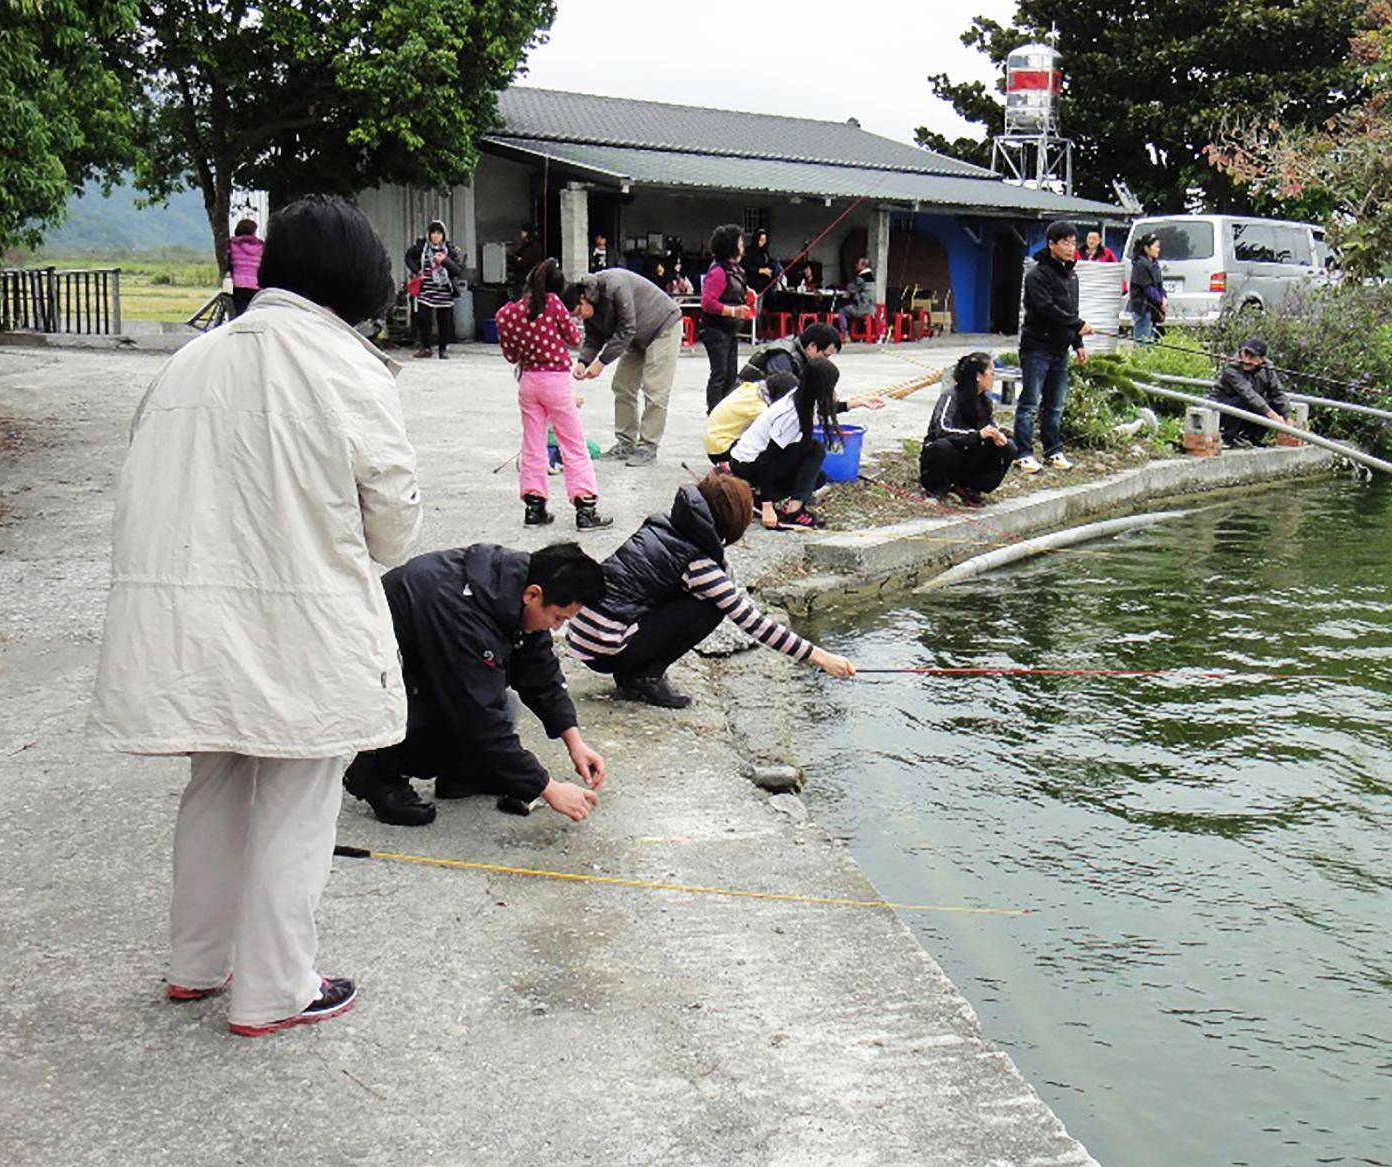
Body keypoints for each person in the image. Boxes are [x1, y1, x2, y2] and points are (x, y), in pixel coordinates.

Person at [88, 195, 421, 1039]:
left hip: (193, 621)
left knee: (217, 784)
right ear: (357, 281)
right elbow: (393, 526)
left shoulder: (190, 361)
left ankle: (196, 965)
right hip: (304, 624)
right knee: (299, 799)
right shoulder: (349, 369)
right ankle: (276, 989)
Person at [342, 542, 608, 827]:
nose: (556, 628)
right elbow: (478, 717)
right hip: (369, 686)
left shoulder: (514, 590)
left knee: (505, 706)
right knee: (476, 712)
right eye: (557, 617)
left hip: (421, 671)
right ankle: (378, 771)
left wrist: (574, 740)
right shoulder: (463, 613)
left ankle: (464, 769)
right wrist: (548, 788)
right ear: (533, 594)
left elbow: (539, 669)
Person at [567, 474, 856, 709]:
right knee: (710, 608)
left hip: (584, 635)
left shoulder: (663, 524)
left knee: (701, 596)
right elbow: (752, 622)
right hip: (603, 649)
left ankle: (633, 672)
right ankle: (644, 676)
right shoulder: (697, 563)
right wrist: (822, 658)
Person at [494, 258, 612, 531]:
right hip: (556, 382)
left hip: (528, 383)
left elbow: (511, 354)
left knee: (533, 445)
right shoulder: (553, 304)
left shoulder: (511, 312)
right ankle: (585, 509)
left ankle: (534, 508)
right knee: (573, 444)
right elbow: (573, 338)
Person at [562, 269, 683, 464]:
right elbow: (594, 337)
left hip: (662, 327)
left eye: (577, 313)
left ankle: (648, 446)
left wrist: (601, 362)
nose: (579, 319)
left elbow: (627, 328)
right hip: (636, 337)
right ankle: (626, 442)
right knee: (622, 385)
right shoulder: (591, 307)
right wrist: (583, 361)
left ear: (584, 299)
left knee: (655, 389)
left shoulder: (614, 285)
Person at [727, 356, 848, 530]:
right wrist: (768, 508)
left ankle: (757, 496)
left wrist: (856, 403)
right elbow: (766, 460)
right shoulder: (791, 415)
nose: (833, 391)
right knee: (815, 449)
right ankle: (792, 511)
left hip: (756, 461)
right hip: (747, 464)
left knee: (817, 477)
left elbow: (823, 410)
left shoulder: (802, 396)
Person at [1014, 220, 1095, 474]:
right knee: (1030, 402)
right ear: (1052, 244)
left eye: (1074, 242)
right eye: (1065, 242)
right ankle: (1023, 453)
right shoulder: (1036, 275)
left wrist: (1078, 342)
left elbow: (1071, 311)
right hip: (1037, 347)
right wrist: (1078, 324)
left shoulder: (1072, 276)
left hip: (1060, 350)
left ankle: (1053, 451)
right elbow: (1047, 309)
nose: (1071, 248)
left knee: (1056, 404)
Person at [706, 363, 881, 466]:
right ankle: (731, 470)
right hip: (722, 450)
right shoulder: (759, 409)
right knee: (782, 444)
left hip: (720, 440)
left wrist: (856, 403)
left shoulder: (757, 388)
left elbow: (810, 409)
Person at [920, 351, 1016, 504]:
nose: (994, 377)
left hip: (968, 451)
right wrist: (977, 435)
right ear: (978, 376)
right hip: (947, 450)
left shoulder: (985, 401)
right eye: (991, 373)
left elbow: (990, 426)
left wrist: (998, 435)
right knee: (942, 447)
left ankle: (971, 487)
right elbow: (942, 430)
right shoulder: (951, 396)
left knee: (1008, 448)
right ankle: (936, 488)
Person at [699, 224, 754, 413]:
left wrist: (748, 294)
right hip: (715, 329)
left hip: (731, 330)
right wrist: (733, 311)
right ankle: (714, 412)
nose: (743, 246)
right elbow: (707, 302)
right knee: (720, 373)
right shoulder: (718, 272)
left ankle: (726, 412)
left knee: (731, 375)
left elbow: (736, 291)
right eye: (740, 243)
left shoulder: (737, 270)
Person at [1209, 338, 1289, 448]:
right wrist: (1272, 415)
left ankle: (1252, 437)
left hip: (1247, 406)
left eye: (1251, 356)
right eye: (1244, 353)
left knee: (1269, 402)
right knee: (1245, 401)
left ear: (1261, 359)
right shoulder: (1232, 368)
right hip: (1222, 407)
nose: (1246, 359)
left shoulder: (1267, 368)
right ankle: (1229, 437)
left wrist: (1286, 416)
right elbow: (1248, 394)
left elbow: (1277, 393)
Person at [405, 220, 465, 359]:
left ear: (444, 235)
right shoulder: (422, 248)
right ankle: (426, 347)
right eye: (433, 232)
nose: (436, 236)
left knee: (444, 321)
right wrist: (416, 270)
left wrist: (444, 260)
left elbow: (457, 270)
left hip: (444, 291)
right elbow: (408, 257)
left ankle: (442, 349)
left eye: (439, 233)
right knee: (423, 318)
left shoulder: (450, 250)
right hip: (426, 289)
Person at [736, 320, 842, 387]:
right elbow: (782, 394)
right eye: (825, 355)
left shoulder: (804, 357)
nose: (826, 360)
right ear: (812, 346)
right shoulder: (782, 356)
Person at [1128, 233, 1167, 346]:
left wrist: (1164, 298)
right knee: (1143, 342)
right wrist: (1160, 301)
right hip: (1143, 308)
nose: (1158, 249)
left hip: (1152, 309)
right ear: (1146, 248)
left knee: (1150, 341)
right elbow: (1147, 287)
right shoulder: (1140, 264)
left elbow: (1159, 285)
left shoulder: (1153, 264)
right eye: (1156, 246)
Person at [228, 217, 264, 315]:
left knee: (240, 313)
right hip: (256, 285)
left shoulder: (232, 245)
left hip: (238, 285)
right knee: (254, 314)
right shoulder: (261, 247)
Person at [835, 259, 875, 332]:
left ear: (863, 266)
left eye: (858, 264)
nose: (856, 265)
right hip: (872, 307)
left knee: (841, 310)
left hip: (863, 308)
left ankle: (845, 332)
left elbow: (851, 288)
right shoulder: (871, 277)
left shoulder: (861, 278)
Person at [506, 222, 538, 295]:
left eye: (523, 231)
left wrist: (517, 259)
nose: (521, 233)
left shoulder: (533, 247)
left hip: (526, 279)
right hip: (521, 279)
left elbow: (522, 262)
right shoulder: (526, 245)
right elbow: (517, 256)